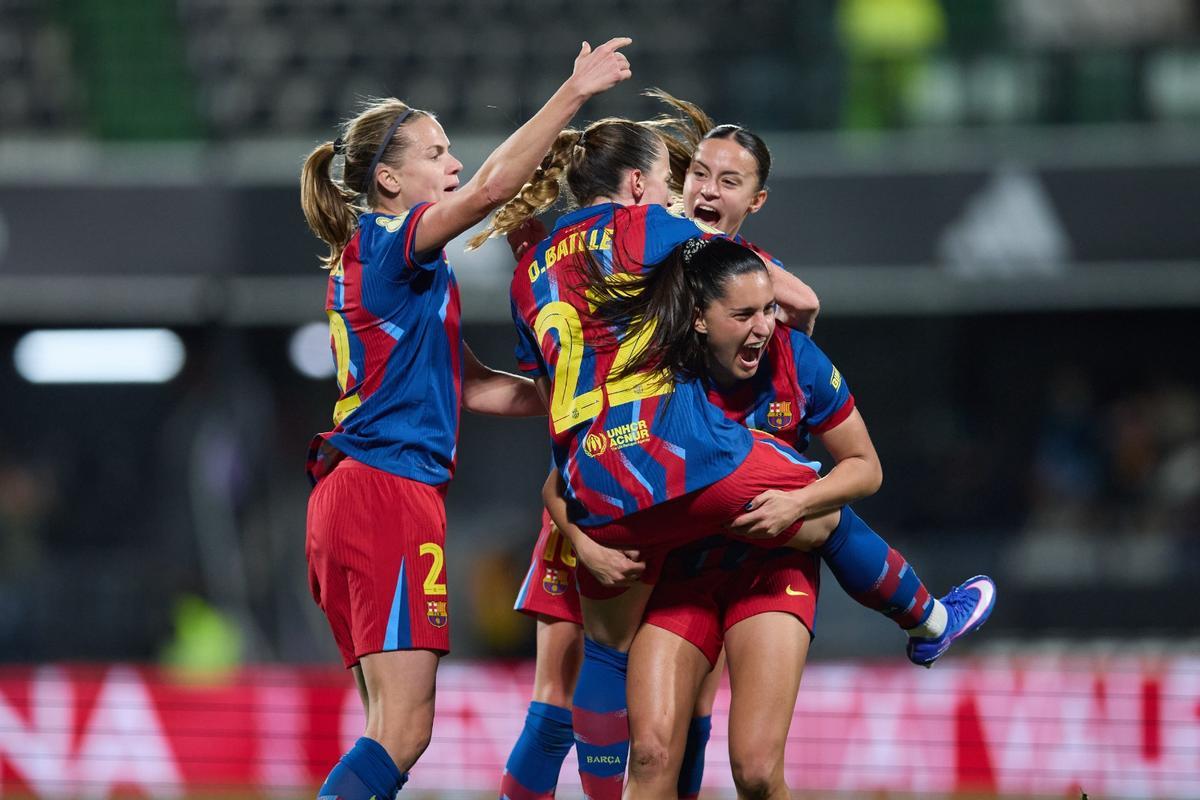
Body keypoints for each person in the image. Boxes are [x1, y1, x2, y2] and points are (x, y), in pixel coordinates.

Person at [297, 38, 634, 800]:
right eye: (436, 152)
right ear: (388, 178)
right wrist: (573, 93)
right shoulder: (391, 246)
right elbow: (487, 191)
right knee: (406, 732)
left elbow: (475, 386)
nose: (452, 165)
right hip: (387, 493)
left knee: (385, 729)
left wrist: (592, 397)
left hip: (345, 496)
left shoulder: (390, 269)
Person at [489, 116, 837, 800]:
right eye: (692, 178)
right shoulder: (668, 246)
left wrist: (446, 374)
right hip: (650, 482)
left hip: (594, 478)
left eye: (722, 181)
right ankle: (924, 614)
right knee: (583, 699)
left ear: (754, 197)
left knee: (642, 706)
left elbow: (542, 393)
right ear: (647, 186)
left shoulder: (539, 265)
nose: (700, 192)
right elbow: (805, 305)